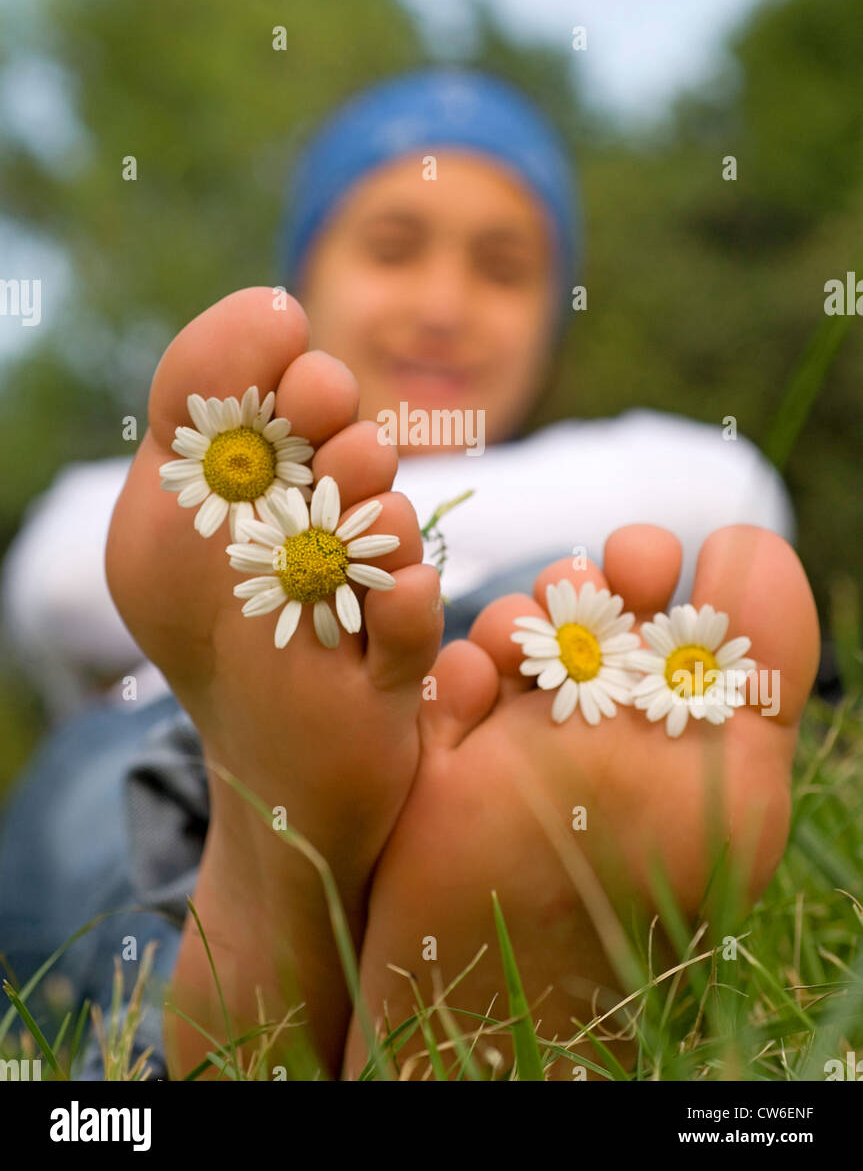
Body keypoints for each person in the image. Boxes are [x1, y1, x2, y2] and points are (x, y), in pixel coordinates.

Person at [0, 68, 815, 1080]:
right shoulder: (609, 486)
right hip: (166, 725)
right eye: (392, 249)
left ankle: (253, 1003)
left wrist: (369, 545)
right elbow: (59, 578)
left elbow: (729, 496)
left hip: (497, 676)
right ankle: (298, 935)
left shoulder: (624, 467)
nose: (441, 305)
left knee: (511, 655)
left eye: (502, 269)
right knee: (110, 792)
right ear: (302, 280)